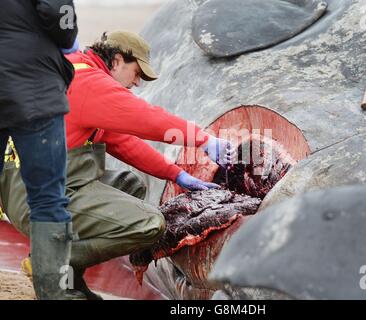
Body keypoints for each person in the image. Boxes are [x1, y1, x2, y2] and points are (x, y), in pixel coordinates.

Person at [0, 31, 236, 300]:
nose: (136, 83)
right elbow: (146, 118)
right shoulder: (89, 83)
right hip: (34, 195)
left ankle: (69, 283)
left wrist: (176, 174)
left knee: (128, 185)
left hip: (34, 184)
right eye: (136, 73)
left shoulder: (77, 73)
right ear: (116, 61)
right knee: (148, 225)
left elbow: (123, 142)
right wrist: (203, 139)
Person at [0, 0, 78, 299]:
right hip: (33, 87)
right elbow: (56, 9)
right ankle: (53, 293)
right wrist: (68, 37)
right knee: (48, 198)